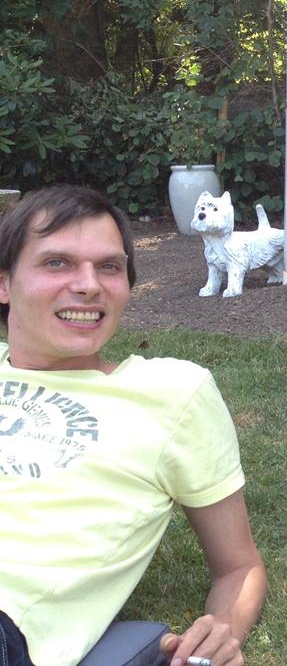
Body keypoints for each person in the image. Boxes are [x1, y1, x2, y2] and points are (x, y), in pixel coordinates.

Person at [0, 186, 268, 666]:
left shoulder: (170, 393)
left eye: (109, 267)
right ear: (4, 283)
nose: (89, 285)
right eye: (56, 263)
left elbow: (240, 566)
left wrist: (219, 634)